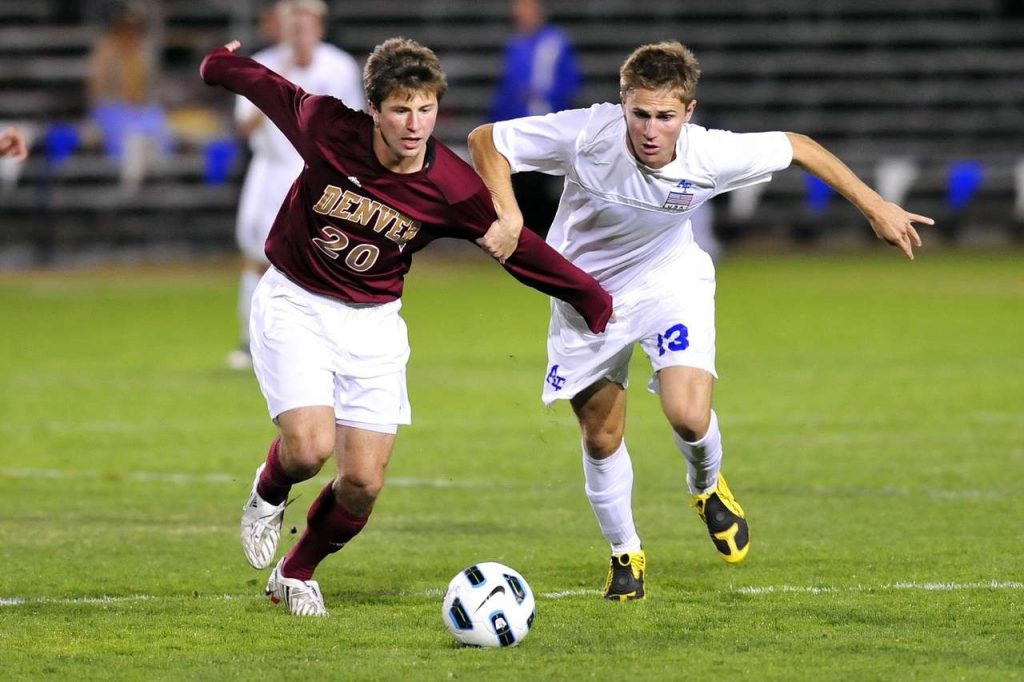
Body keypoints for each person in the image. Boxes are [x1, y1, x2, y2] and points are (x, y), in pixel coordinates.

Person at [468, 41, 933, 601]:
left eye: (665, 116)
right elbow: (486, 139)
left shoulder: (709, 154)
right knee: (600, 435)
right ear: (622, 105)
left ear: (688, 114)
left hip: (670, 284)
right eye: (639, 113)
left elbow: (799, 146)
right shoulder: (587, 133)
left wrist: (875, 206)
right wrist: (510, 210)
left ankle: (707, 487)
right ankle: (625, 552)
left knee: (689, 415)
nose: (649, 129)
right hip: (584, 295)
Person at [200, 37, 613, 616]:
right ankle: (269, 492)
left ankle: (295, 572)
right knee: (309, 450)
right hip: (296, 302)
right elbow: (272, 90)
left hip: (373, 324)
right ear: (373, 108)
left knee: (363, 482)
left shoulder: (452, 186)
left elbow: (520, 251)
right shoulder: (328, 126)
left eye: (426, 109)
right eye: (400, 109)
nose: (415, 123)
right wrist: (219, 65)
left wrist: (591, 297)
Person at [227, 0, 366, 370]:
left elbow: (353, 125)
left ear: (319, 23)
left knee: (327, 255)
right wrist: (280, 78)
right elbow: (245, 126)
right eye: (294, 19)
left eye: (308, 18)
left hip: (319, 173)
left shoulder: (338, 65)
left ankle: (327, 340)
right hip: (273, 171)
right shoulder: (264, 63)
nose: (301, 27)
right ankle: (250, 340)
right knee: (259, 256)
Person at [488, 0, 581, 239]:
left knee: (540, 184)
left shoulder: (555, 42)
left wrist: (550, 106)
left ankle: (546, 235)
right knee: (519, 183)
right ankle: (526, 235)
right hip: (516, 125)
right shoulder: (515, 45)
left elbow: (568, 82)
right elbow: (507, 86)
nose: (520, 17)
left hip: (542, 125)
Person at [87, 1, 170, 160]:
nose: (131, 31)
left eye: (135, 26)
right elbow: (96, 87)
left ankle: (156, 175)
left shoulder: (145, 50)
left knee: (160, 131)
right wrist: (122, 97)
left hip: (142, 107)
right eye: (127, 26)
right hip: (111, 106)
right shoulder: (105, 50)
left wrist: (142, 98)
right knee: (125, 138)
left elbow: (153, 84)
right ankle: (124, 178)